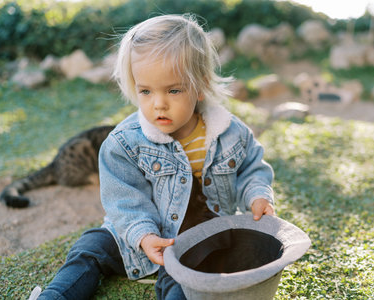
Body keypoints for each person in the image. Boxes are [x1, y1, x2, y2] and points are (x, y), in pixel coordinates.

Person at [29, 14, 275, 300]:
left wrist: (258, 195)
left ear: (200, 86)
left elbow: (251, 168)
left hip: (196, 238)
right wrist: (142, 235)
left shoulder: (230, 134)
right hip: (135, 235)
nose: (158, 103)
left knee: (184, 277)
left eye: (173, 90)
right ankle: (54, 296)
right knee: (89, 247)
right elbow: (123, 197)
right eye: (145, 91)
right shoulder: (126, 142)